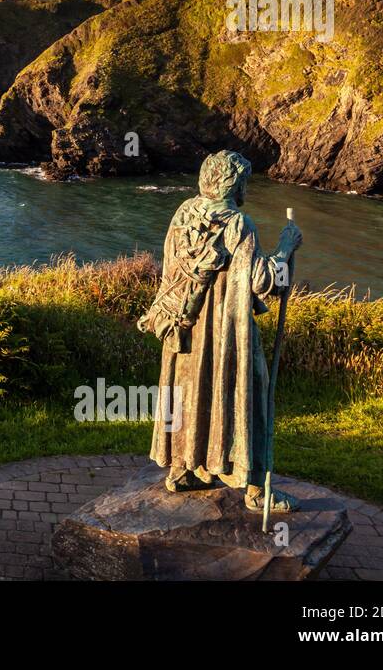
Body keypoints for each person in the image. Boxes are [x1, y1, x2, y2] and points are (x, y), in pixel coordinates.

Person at [138, 150, 303, 512]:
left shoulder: (183, 213)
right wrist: (285, 249)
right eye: (244, 180)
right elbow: (263, 283)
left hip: (184, 328)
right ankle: (257, 490)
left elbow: (170, 270)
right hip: (225, 332)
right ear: (233, 183)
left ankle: (184, 469)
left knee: (187, 393)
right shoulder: (238, 224)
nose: (246, 187)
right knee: (249, 393)